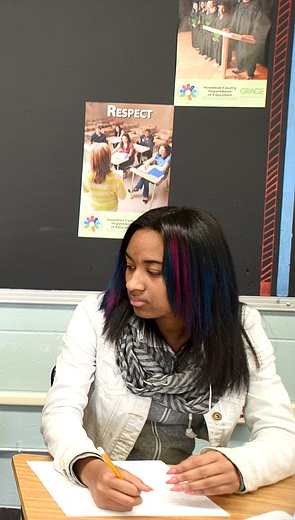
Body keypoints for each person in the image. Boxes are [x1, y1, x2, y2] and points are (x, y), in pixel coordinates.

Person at [41, 206, 295, 513]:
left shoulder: (241, 328)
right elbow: (60, 412)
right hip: (108, 491)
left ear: (200, 276)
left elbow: (282, 435)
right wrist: (91, 469)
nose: (134, 283)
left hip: (185, 498)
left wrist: (241, 466)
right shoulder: (96, 316)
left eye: (153, 271)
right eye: (129, 266)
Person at [227, 0, 271, 79]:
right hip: (240, 34)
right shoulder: (239, 5)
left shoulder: (256, 4)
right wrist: (230, 29)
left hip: (250, 35)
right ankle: (240, 67)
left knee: (250, 54)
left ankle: (250, 73)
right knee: (239, 51)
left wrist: (253, 35)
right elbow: (234, 20)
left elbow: (259, 21)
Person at [83, 143, 127, 212]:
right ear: (108, 159)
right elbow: (123, 196)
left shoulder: (87, 175)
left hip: (94, 208)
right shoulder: (116, 177)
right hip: (111, 209)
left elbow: (85, 190)